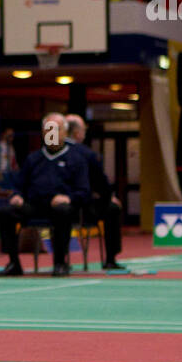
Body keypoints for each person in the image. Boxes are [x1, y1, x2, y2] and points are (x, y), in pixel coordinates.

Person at [0, 114, 89, 277]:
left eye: (56, 129)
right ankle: (14, 263)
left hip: (60, 209)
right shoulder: (33, 159)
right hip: (34, 206)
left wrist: (68, 198)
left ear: (65, 133)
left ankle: (60, 263)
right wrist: (17, 196)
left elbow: (84, 192)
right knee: (5, 212)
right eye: (48, 130)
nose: (52, 134)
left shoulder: (77, 159)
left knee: (63, 211)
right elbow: (18, 186)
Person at [65, 114, 125, 271]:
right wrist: (109, 197)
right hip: (84, 208)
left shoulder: (49, 153)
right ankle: (110, 259)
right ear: (77, 133)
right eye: (84, 129)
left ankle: (61, 260)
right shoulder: (87, 154)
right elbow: (101, 181)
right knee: (112, 208)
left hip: (61, 207)